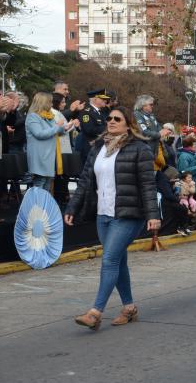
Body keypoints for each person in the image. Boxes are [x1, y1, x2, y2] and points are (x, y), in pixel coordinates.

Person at [65, 106, 160, 331]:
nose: (112, 121)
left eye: (117, 118)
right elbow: (85, 181)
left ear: (128, 124)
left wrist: (153, 216)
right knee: (119, 261)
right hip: (103, 214)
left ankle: (95, 312)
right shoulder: (98, 147)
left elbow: (148, 185)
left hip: (128, 214)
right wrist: (72, 207)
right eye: (109, 118)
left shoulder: (139, 148)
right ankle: (129, 307)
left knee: (109, 260)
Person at [25, 92, 78, 191]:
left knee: (47, 184)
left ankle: (44, 206)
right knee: (40, 183)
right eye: (49, 102)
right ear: (43, 103)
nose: (52, 104)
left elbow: (55, 132)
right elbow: (39, 134)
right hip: (40, 156)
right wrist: (58, 126)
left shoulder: (49, 116)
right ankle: (37, 206)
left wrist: (65, 128)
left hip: (49, 156)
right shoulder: (33, 117)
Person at [74, 89, 111, 165]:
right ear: (95, 99)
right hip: (88, 148)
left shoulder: (98, 112)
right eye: (103, 99)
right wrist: (108, 129)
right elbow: (89, 129)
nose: (105, 101)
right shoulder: (87, 112)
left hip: (96, 147)